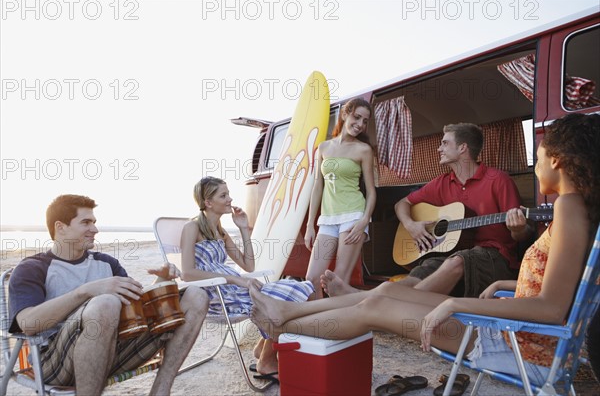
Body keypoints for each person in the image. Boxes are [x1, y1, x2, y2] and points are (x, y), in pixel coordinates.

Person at [250, 112, 600, 387]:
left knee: (374, 309)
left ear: (556, 160)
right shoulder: (575, 207)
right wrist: (500, 286)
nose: (535, 166)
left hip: (517, 352)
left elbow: (553, 309)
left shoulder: (569, 207)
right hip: (512, 336)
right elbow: (556, 291)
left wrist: (456, 301)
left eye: (537, 158)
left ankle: (282, 327)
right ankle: (284, 313)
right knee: (384, 290)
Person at [8, 194, 209, 395]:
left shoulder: (106, 263)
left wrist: (162, 281)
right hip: (54, 364)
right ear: (60, 227)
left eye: (94, 222)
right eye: (86, 222)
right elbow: (27, 324)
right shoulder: (33, 268)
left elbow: (135, 305)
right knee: (105, 303)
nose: (95, 229)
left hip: (112, 351)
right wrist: (85, 292)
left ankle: (161, 389)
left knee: (196, 296)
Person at [323, 122, 532, 298]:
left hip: (495, 258)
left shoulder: (498, 180)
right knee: (418, 274)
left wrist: (519, 228)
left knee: (457, 261)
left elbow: (523, 234)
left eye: (444, 143)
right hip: (454, 253)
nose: (439, 149)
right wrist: (410, 225)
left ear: (462, 148)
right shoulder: (442, 183)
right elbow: (401, 204)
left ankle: (386, 306)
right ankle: (360, 297)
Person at [179, 176, 315, 379]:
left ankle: (264, 350)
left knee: (298, 288)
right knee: (277, 300)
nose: (230, 199)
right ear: (208, 202)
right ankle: (266, 363)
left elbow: (248, 265)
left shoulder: (220, 232)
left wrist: (243, 228)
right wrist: (236, 280)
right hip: (215, 293)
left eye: (228, 194)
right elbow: (187, 273)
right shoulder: (192, 228)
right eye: (223, 195)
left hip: (232, 288)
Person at [304, 97, 376, 298]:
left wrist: (363, 221)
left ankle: (338, 327)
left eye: (365, 121)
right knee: (311, 279)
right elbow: (318, 186)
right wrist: (311, 225)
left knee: (339, 281)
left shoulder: (363, 150)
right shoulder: (324, 148)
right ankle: (317, 326)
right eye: (357, 117)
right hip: (328, 219)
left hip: (353, 217)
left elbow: (371, 191)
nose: (360, 124)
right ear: (345, 114)